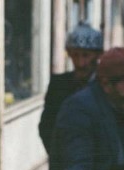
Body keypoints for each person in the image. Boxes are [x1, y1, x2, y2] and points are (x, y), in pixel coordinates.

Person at [38, 22, 103, 156]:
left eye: (86, 55)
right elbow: (46, 126)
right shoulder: (59, 85)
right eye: (75, 55)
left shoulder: (105, 86)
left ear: (98, 55)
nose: (80, 63)